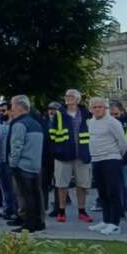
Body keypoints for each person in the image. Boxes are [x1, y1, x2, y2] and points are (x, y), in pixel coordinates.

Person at [49, 89, 93, 223]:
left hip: (82, 154)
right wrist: (57, 150)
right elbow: (52, 134)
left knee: (82, 184)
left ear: (78, 99)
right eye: (66, 96)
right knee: (62, 184)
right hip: (63, 154)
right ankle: (61, 211)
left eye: (71, 96)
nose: (68, 98)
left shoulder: (86, 113)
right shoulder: (59, 114)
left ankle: (82, 211)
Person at [86, 97, 127, 235]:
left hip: (111, 159)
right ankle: (106, 220)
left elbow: (123, 143)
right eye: (94, 107)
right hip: (96, 160)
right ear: (90, 109)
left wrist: (115, 155)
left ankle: (115, 224)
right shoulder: (90, 122)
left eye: (100, 107)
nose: (97, 109)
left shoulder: (112, 122)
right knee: (102, 192)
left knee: (113, 192)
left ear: (105, 108)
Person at [7, 95, 46, 233]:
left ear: (18, 106)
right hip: (35, 164)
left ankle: (29, 224)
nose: (11, 109)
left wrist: (13, 164)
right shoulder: (35, 123)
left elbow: (16, 146)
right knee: (36, 195)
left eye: (12, 105)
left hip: (22, 165)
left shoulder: (19, 124)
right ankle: (39, 222)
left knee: (26, 196)